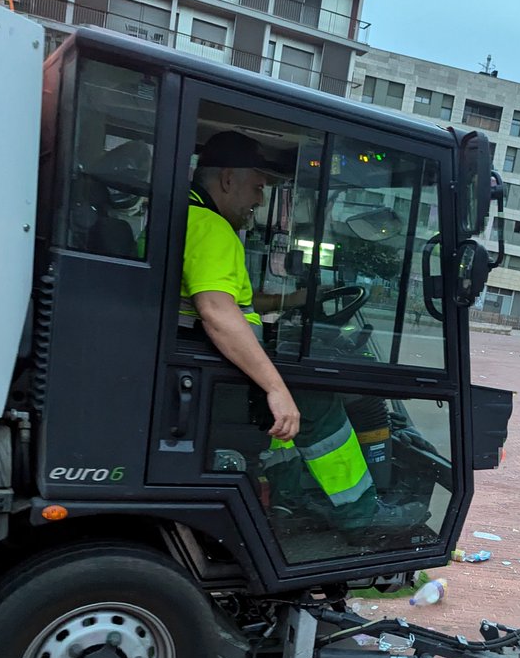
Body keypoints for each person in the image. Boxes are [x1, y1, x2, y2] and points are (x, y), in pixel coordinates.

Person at [179, 130, 425, 542]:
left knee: (291, 404)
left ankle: (288, 498)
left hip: (193, 361)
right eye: (256, 187)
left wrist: (293, 298)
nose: (259, 200)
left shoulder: (187, 216)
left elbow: (230, 299)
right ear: (226, 180)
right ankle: (361, 515)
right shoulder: (210, 227)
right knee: (315, 399)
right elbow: (217, 312)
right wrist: (275, 388)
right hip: (210, 375)